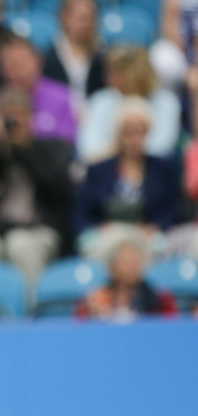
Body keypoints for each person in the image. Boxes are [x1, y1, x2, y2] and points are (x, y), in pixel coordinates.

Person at [0, 89, 75, 282]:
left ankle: (29, 309)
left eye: (18, 118)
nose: (12, 125)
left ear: (31, 119)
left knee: (20, 245)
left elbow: (59, 189)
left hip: (38, 229)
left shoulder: (51, 148)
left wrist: (23, 148)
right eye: (7, 118)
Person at [75, 97, 182, 262]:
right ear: (119, 134)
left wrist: (156, 227)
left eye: (139, 131)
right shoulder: (99, 170)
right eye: (128, 132)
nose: (134, 139)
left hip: (147, 236)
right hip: (110, 236)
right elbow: (82, 213)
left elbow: (172, 209)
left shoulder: (163, 168)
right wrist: (99, 228)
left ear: (147, 132)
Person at [77, 46, 181, 163]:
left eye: (115, 74)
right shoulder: (102, 101)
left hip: (152, 171)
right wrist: (122, 148)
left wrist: (125, 148)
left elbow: (161, 149)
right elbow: (89, 151)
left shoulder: (166, 101)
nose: (109, 80)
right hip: (107, 170)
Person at [0, 36, 77, 152]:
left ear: (38, 61)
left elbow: (68, 145)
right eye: (9, 65)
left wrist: (28, 136)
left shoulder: (61, 97)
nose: (15, 71)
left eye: (21, 63)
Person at [76, 240, 178, 320]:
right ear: (112, 267)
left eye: (136, 262)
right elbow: (79, 326)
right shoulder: (96, 298)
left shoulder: (159, 299)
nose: (132, 268)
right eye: (126, 263)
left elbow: (171, 327)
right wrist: (91, 315)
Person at [42, 0, 105, 115]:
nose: (85, 25)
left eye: (90, 19)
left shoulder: (102, 58)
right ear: (64, 18)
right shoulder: (48, 58)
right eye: (81, 18)